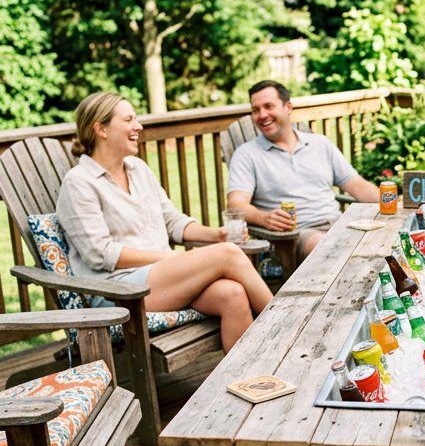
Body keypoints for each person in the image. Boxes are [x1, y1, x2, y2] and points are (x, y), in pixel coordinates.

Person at [56, 92, 273, 351]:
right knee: (228, 254)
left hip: (160, 280)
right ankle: (284, 323)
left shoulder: (138, 169)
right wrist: (169, 258)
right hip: (117, 292)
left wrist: (215, 235)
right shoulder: (79, 182)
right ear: (101, 129)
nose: (138, 126)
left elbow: (172, 221)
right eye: (128, 120)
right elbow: (100, 254)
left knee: (232, 294)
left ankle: (249, 373)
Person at [226, 80, 380, 259]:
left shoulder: (320, 144)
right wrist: (264, 218)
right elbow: (235, 205)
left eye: (268, 106)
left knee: (382, 241)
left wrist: (394, 203)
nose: (262, 115)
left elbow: (356, 184)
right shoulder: (246, 154)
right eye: (255, 110)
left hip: (340, 225)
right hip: (296, 236)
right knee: (331, 247)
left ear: (288, 107)